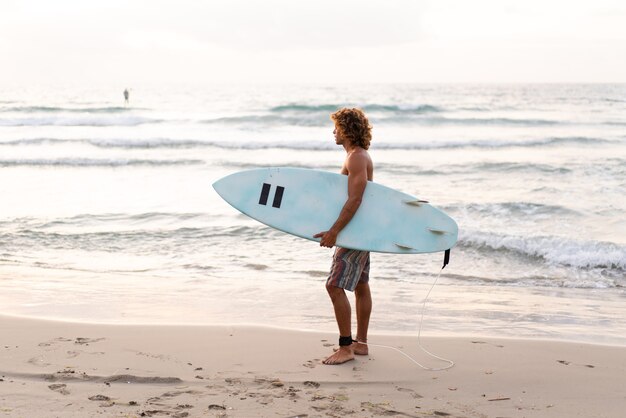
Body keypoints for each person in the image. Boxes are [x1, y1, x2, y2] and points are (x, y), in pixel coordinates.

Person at [314, 108, 374, 365]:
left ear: (347, 129)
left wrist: (335, 231)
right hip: (360, 231)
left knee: (334, 285)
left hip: (353, 233)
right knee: (360, 285)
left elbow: (356, 198)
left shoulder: (357, 158)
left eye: (337, 127)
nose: (333, 131)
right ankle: (360, 343)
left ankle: (346, 347)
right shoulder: (354, 156)